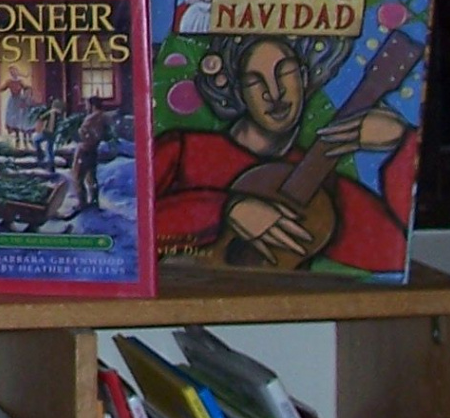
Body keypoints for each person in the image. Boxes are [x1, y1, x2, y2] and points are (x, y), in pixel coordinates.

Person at [154, 34, 413, 270]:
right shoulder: (184, 149)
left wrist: (404, 141)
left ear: (304, 77)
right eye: (254, 81)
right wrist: (226, 210)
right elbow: (124, 227)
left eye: (285, 72)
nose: (274, 92)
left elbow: (392, 251)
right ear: (237, 90)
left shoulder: (317, 180)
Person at [72, 99, 115, 209]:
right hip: (93, 150)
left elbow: (83, 132)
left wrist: (81, 135)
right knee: (91, 176)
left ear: (93, 105)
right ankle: (94, 201)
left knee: (78, 176)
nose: (86, 107)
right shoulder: (104, 117)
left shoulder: (92, 118)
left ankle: (82, 202)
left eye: (87, 105)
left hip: (85, 149)